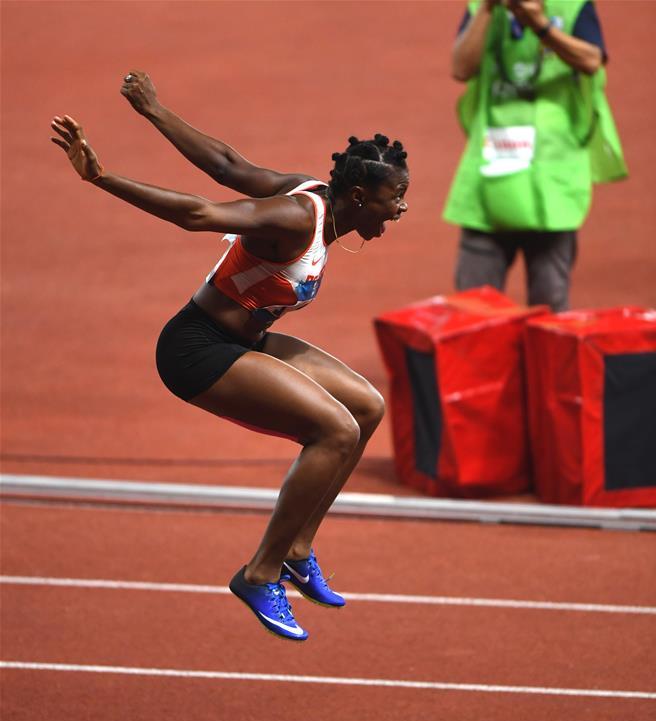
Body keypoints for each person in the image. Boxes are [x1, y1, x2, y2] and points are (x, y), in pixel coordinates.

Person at [50, 73, 408, 642]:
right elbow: (198, 213)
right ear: (362, 198)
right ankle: (260, 574)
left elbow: (226, 163)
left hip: (244, 339)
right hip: (196, 349)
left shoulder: (316, 197)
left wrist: (154, 111)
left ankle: (297, 550)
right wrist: (101, 177)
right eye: (396, 198)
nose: (402, 207)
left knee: (365, 407)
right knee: (335, 431)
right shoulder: (296, 218)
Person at [444, 0, 627, 312]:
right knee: (471, 309)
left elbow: (592, 60)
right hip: (489, 181)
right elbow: (461, 68)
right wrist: (487, 9)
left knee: (550, 308)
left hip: (553, 183)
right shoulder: (482, 7)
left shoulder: (572, 6)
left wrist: (542, 27)